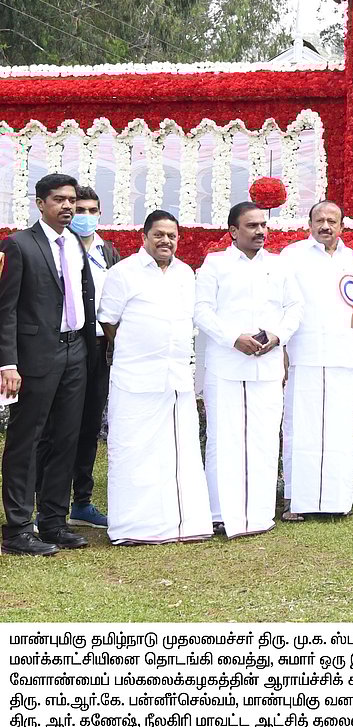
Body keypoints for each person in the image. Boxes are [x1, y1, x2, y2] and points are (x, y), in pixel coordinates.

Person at [98, 211, 211, 545]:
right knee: (134, 452)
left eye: (172, 236)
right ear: (144, 237)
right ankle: (133, 528)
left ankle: (184, 524)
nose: (166, 241)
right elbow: (108, 321)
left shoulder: (185, 273)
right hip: (135, 378)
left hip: (176, 380)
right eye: (159, 235)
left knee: (180, 452)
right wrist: (136, 347)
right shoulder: (123, 273)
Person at [0, 174, 95, 555]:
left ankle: (54, 522)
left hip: (76, 352)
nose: (68, 207)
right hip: (35, 355)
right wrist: (7, 363)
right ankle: (18, 529)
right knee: (27, 440)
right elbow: (5, 310)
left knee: (66, 439)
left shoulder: (75, 244)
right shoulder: (19, 245)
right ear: (40, 203)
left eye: (72, 200)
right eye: (59, 199)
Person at [195, 201, 302, 538]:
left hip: (267, 365)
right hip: (226, 364)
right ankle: (219, 512)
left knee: (265, 438)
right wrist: (233, 338)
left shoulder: (279, 265)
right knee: (223, 438)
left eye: (263, 225)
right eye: (252, 226)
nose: (260, 231)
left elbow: (295, 308)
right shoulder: (215, 265)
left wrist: (277, 335)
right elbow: (201, 311)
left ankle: (257, 513)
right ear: (233, 231)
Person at [281, 200, 353, 520]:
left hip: (343, 356)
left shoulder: (350, 258)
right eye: (319, 220)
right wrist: (280, 348)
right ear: (309, 224)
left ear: (341, 226)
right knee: (301, 428)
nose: (325, 226)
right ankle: (296, 501)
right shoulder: (292, 255)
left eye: (331, 220)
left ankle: (337, 501)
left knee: (339, 430)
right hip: (303, 355)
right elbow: (279, 304)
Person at [51, 187, 120, 530]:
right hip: (69, 344)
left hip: (100, 348)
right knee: (62, 426)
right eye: (80, 208)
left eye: (92, 209)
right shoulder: (61, 246)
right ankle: (49, 503)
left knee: (90, 425)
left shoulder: (108, 250)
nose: (86, 215)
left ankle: (82, 502)